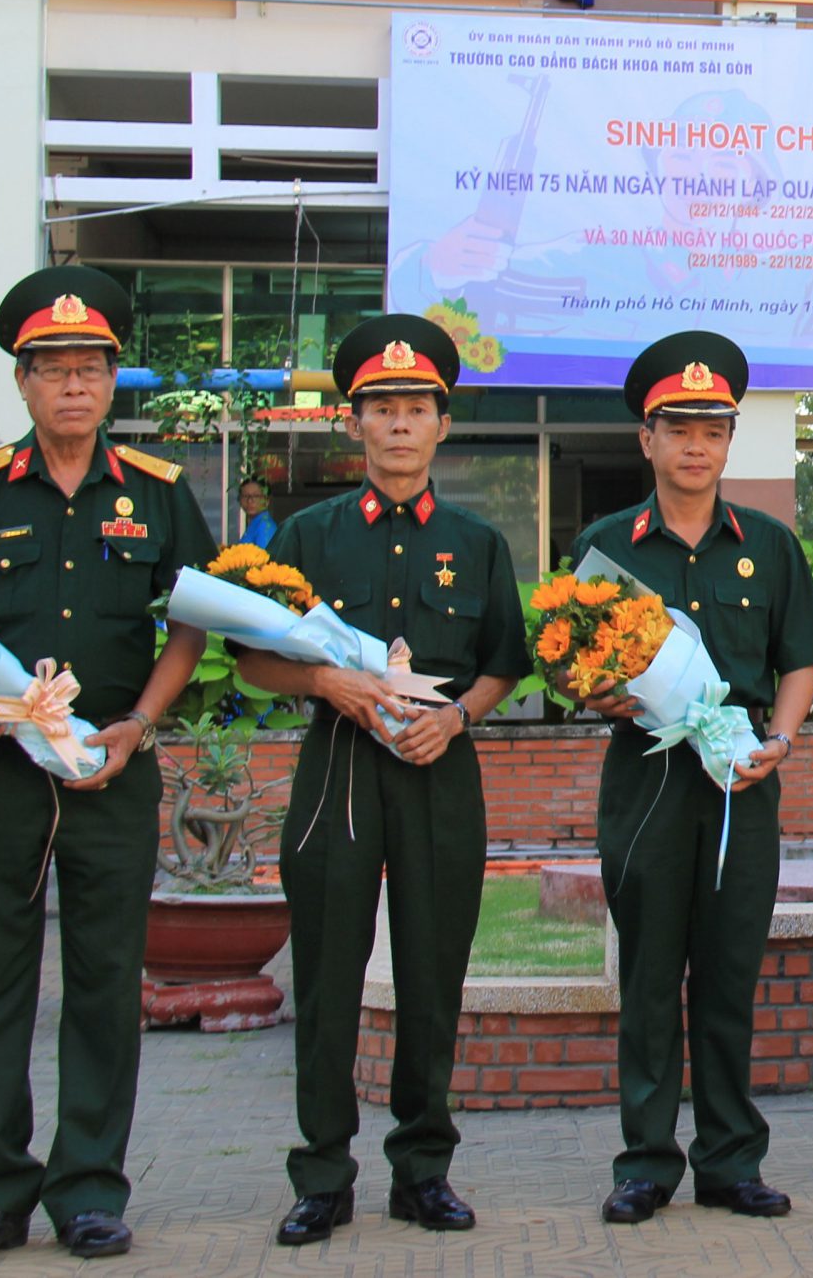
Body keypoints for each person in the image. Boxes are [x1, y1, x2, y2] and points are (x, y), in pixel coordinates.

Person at [0, 265, 215, 1269]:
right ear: (25, 384)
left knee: (101, 983)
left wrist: (138, 723)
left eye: (90, 367)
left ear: (113, 379)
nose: (73, 386)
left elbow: (194, 626)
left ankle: (89, 1189)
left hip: (109, 775)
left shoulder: (161, 497)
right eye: (52, 369)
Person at [233, 315, 530, 1244]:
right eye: (381, 408)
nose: (400, 424)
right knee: (326, 971)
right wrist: (326, 680)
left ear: (443, 425)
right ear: (352, 422)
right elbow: (251, 659)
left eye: (417, 408)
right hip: (341, 769)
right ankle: (323, 1173)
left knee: (434, 972)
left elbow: (503, 661)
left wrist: (458, 715)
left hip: (441, 768)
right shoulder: (307, 535)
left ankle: (423, 1169)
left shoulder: (479, 541)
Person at [569, 332, 813, 1224]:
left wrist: (786, 737)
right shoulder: (608, 546)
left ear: (730, 442)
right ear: (645, 438)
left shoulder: (768, 543)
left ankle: (730, 1159)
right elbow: (572, 668)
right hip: (645, 783)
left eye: (712, 429)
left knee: (727, 978)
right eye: (675, 426)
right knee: (648, 978)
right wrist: (599, 690)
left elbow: (803, 657)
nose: (695, 445)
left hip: (741, 785)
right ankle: (645, 1161)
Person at [238, 477, 278, 548]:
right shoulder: (255, 523)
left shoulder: (265, 526)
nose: (250, 501)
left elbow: (264, 557)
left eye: (256, 496)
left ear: (267, 500)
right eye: (245, 496)